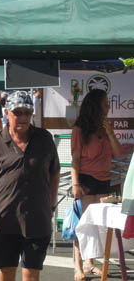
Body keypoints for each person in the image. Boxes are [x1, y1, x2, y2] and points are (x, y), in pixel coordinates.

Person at [0, 91, 60, 281]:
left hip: (37, 219)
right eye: (17, 112)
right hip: (4, 219)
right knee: (7, 271)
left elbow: (54, 172)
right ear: (7, 113)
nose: (23, 117)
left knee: (32, 274)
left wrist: (51, 204)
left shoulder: (44, 139)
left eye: (27, 112)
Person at [71, 89, 121, 281]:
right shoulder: (79, 129)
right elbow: (75, 160)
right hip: (86, 180)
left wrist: (110, 133)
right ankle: (78, 266)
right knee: (83, 224)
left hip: (105, 179)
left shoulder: (106, 127)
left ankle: (90, 263)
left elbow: (118, 153)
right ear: (95, 106)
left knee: (98, 225)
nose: (108, 107)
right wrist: (75, 183)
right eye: (106, 104)